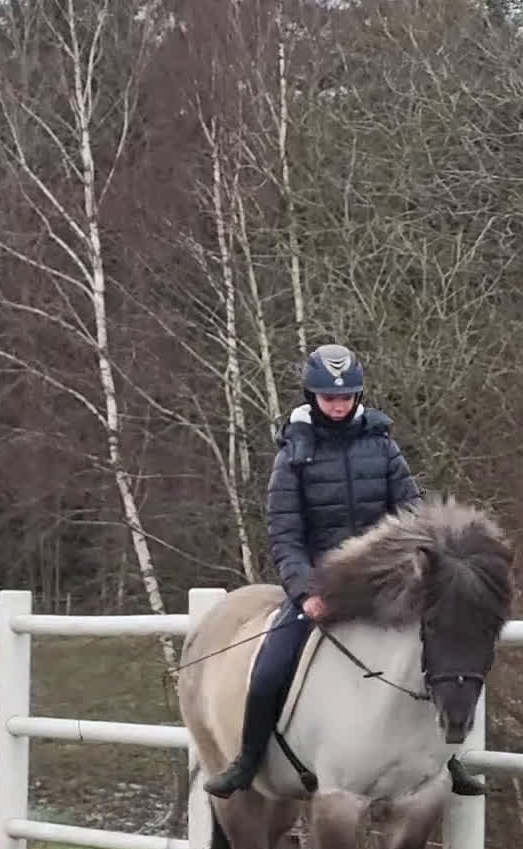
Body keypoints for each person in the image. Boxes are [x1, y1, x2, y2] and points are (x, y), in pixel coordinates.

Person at [204, 342, 485, 799]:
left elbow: (413, 515)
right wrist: (304, 592)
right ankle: (248, 759)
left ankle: (447, 758)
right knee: (273, 664)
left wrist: (421, 570)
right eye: (330, 397)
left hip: (384, 583)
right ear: (313, 396)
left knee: (441, 653)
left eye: (346, 397)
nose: (338, 405)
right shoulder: (292, 457)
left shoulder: (383, 446)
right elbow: (285, 536)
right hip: (323, 586)